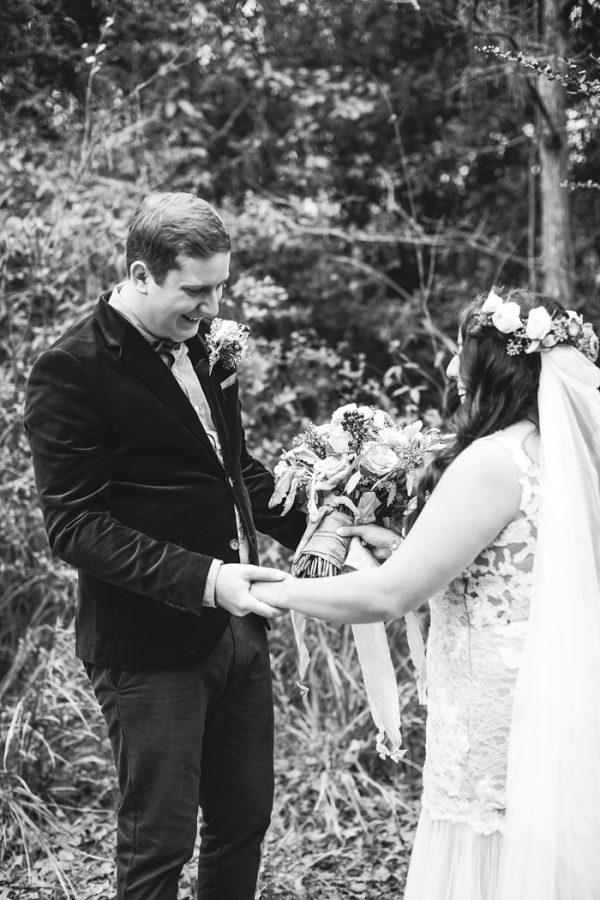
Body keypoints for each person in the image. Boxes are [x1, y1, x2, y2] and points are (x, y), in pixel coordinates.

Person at [252, 287, 600, 900]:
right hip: (562, 704)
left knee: (493, 867)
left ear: (494, 363)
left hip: (498, 720)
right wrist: (399, 541)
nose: (449, 369)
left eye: (460, 352)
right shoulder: (560, 458)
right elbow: (509, 559)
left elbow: (389, 596)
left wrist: (280, 591)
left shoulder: (492, 461)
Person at [24, 192, 305, 900]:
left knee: (244, 821)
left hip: (242, 630)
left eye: (220, 288)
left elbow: (228, 463)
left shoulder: (204, 345)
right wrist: (208, 577)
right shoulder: (72, 367)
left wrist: (329, 527)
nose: (212, 307)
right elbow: (75, 526)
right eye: (196, 289)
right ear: (141, 273)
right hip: (150, 644)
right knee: (161, 842)